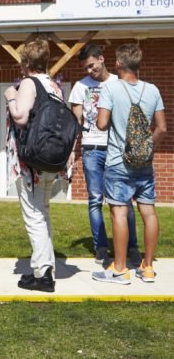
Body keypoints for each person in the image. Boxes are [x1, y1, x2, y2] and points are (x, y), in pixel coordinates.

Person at [92, 43, 166, 285]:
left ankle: (120, 269)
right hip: (144, 164)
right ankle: (147, 267)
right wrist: (146, 146)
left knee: (119, 212)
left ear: (118, 64)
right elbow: (162, 128)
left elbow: (102, 124)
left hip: (117, 162)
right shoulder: (153, 90)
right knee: (148, 211)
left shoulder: (110, 89)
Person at [69, 43, 141, 266]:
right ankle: (101, 247)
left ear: (101, 59)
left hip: (116, 149)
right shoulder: (80, 87)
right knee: (94, 199)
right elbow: (76, 122)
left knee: (124, 200)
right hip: (91, 149)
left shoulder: (118, 83)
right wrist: (72, 150)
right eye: (86, 68)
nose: (89, 71)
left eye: (91, 66)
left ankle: (132, 247)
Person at [4, 38, 65, 293]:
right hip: (48, 160)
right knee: (43, 212)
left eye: (22, 63)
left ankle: (43, 276)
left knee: (33, 216)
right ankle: (45, 267)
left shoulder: (30, 83)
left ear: (27, 62)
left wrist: (10, 96)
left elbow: (20, 116)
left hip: (30, 164)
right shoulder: (54, 85)